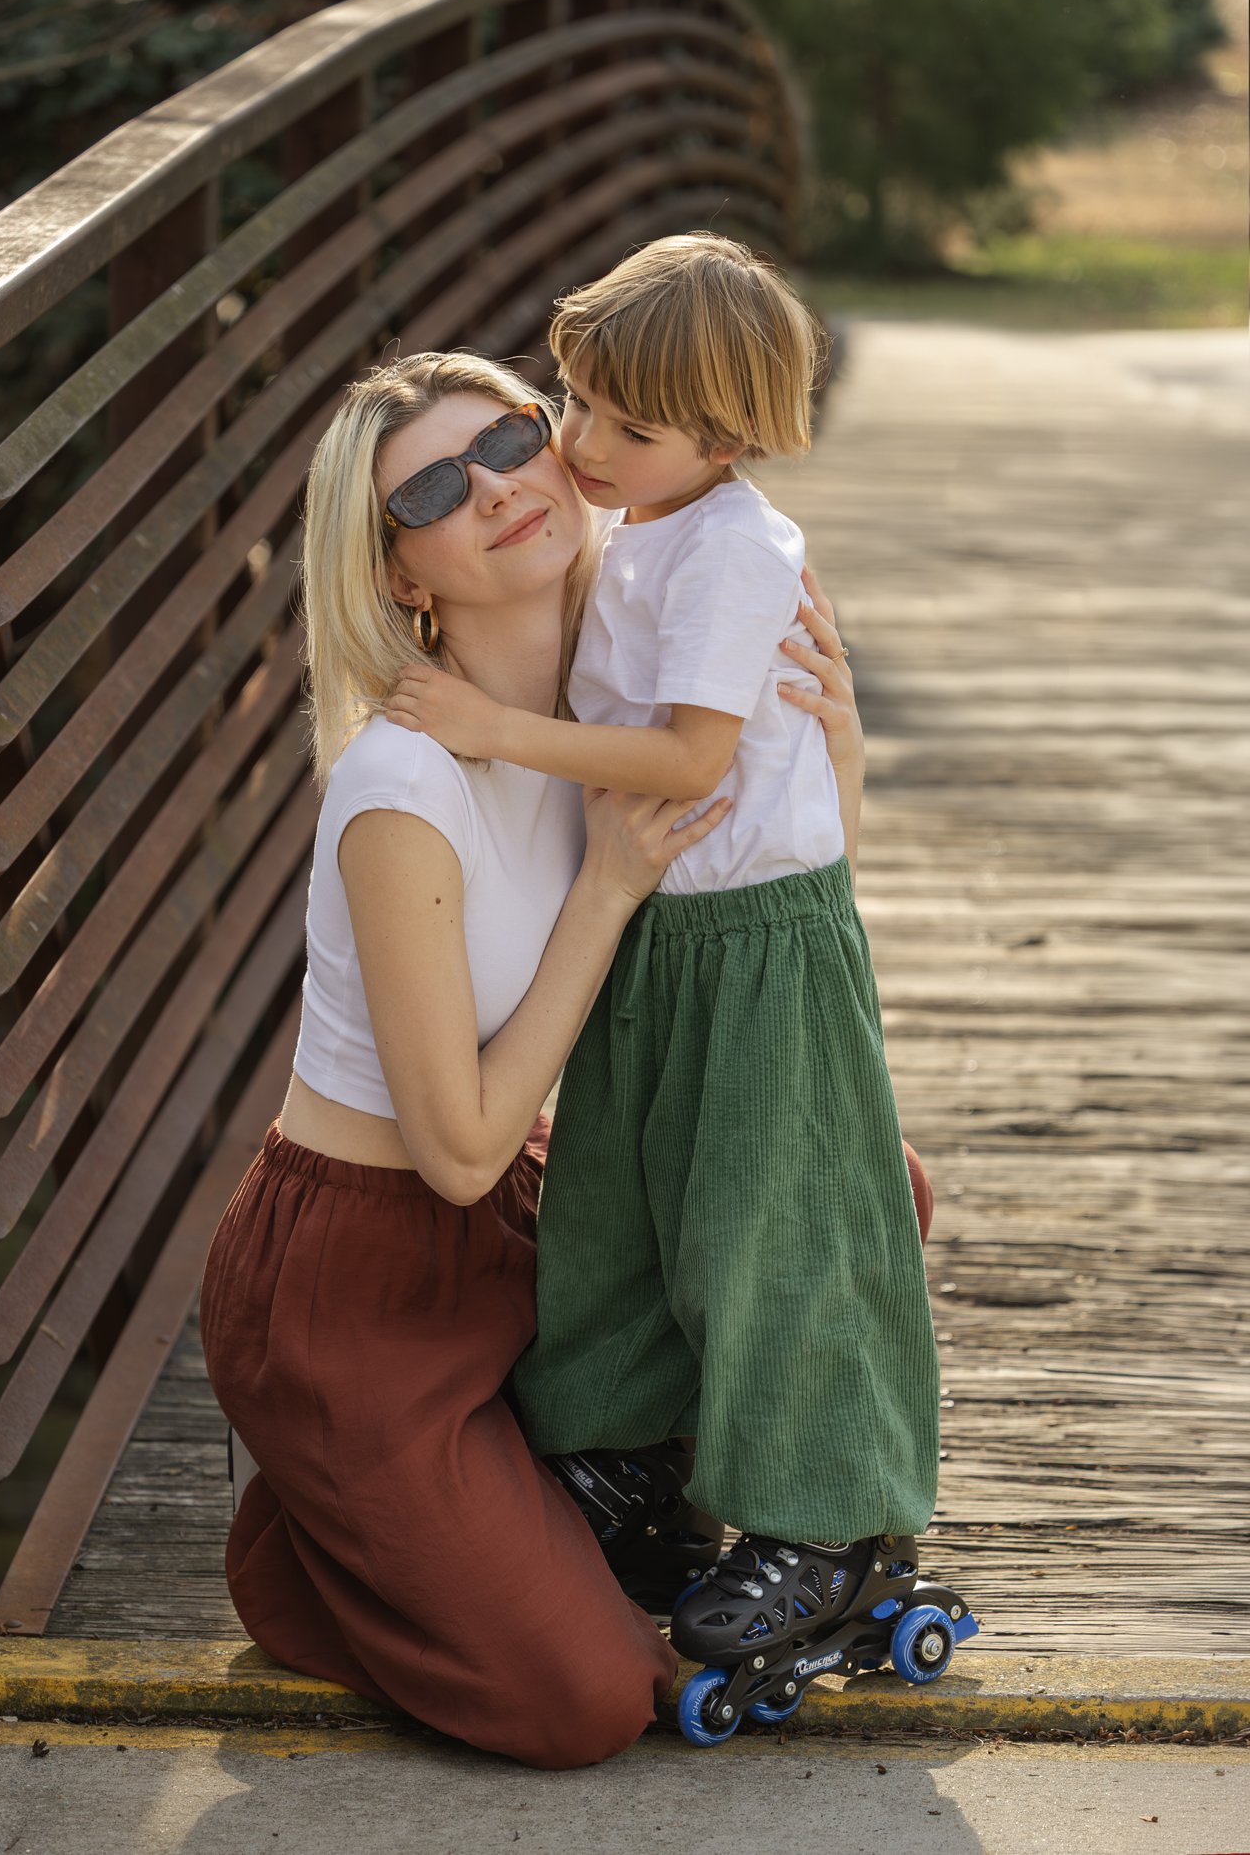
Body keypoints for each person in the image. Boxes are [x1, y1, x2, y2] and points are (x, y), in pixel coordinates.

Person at [197, 348, 880, 1771]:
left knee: (864, 1193)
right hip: (358, 1286)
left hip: (526, 1216)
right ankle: (320, 1538)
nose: (501, 484)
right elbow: (450, 1154)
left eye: (512, 436)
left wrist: (835, 762)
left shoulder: (629, 701)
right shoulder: (402, 785)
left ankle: (536, 1492)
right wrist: (605, 893)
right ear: (402, 579)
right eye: (437, 488)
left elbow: (760, 928)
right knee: (577, 1704)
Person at [385, 237, 972, 1744]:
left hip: (764, 943)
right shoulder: (639, 519)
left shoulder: (732, 549)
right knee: (616, 1206)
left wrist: (484, 730)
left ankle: (829, 1520)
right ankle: (628, 1459)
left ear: (729, 438)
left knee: (774, 1228)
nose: (575, 449)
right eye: (570, 403)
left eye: (621, 431)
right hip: (661, 929)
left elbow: (697, 760)